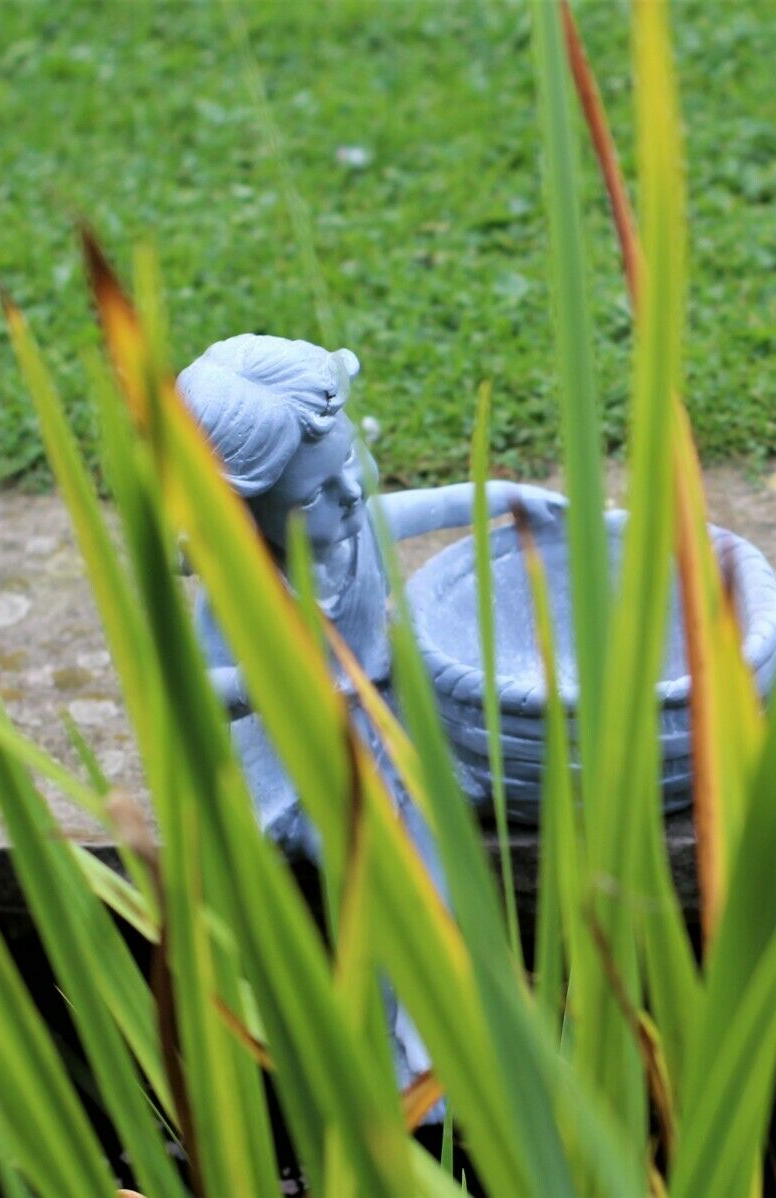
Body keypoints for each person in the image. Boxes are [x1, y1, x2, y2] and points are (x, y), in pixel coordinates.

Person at [178, 333, 563, 1093]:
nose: (352, 495)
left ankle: (444, 1030)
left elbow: (414, 508)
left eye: (348, 464)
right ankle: (397, 1062)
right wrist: (266, 683)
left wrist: (502, 498)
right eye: (316, 493)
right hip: (300, 757)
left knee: (455, 830)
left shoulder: (351, 534)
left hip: (384, 719)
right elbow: (188, 689)